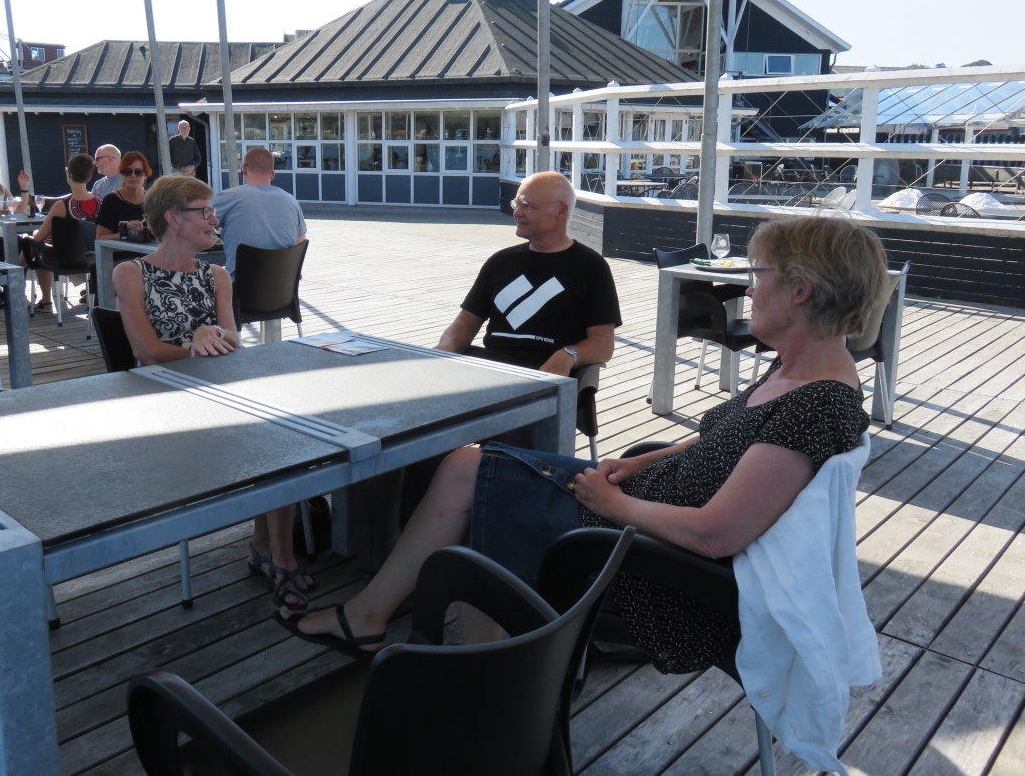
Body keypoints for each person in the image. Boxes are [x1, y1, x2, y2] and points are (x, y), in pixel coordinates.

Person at [279, 216, 886, 664]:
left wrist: (614, 504)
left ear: (801, 290)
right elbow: (718, 443)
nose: (749, 289)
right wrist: (641, 463)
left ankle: (466, 666)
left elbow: (715, 534)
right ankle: (457, 651)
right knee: (467, 467)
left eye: (757, 275)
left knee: (471, 482)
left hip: (647, 566)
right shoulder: (798, 373)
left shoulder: (818, 405)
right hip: (637, 514)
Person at [113, 176, 317, 610]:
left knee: (286, 434)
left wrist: (214, 334)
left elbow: (233, 340)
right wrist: (194, 345)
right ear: (173, 218)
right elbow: (146, 351)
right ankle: (275, 555)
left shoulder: (217, 275)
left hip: (221, 397)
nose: (215, 220)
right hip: (162, 407)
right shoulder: (131, 273)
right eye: (204, 212)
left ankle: (270, 550)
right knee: (273, 439)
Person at [438, 170, 619, 377]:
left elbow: (603, 344)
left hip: (546, 380)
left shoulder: (591, 267)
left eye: (527, 206)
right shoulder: (500, 262)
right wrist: (445, 348)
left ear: (560, 211)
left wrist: (568, 355)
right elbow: (466, 322)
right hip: (490, 373)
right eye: (516, 204)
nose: (517, 213)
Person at [18, 152, 101, 310]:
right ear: (90, 177)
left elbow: (40, 237)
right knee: (40, 244)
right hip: (92, 259)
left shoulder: (62, 205)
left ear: (69, 174)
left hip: (63, 260)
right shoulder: (101, 202)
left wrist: (34, 235)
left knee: (35, 242)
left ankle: (19, 283)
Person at [212, 147, 306, 278]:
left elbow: (200, 225)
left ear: (244, 169)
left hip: (239, 286)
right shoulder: (292, 201)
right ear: (272, 175)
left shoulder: (228, 197)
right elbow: (300, 242)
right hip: (284, 287)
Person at [95, 151, 148, 239]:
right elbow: (100, 238)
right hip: (120, 248)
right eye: (128, 172)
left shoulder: (153, 201)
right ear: (122, 174)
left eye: (138, 172)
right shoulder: (111, 201)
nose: (133, 175)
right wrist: (126, 233)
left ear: (145, 175)